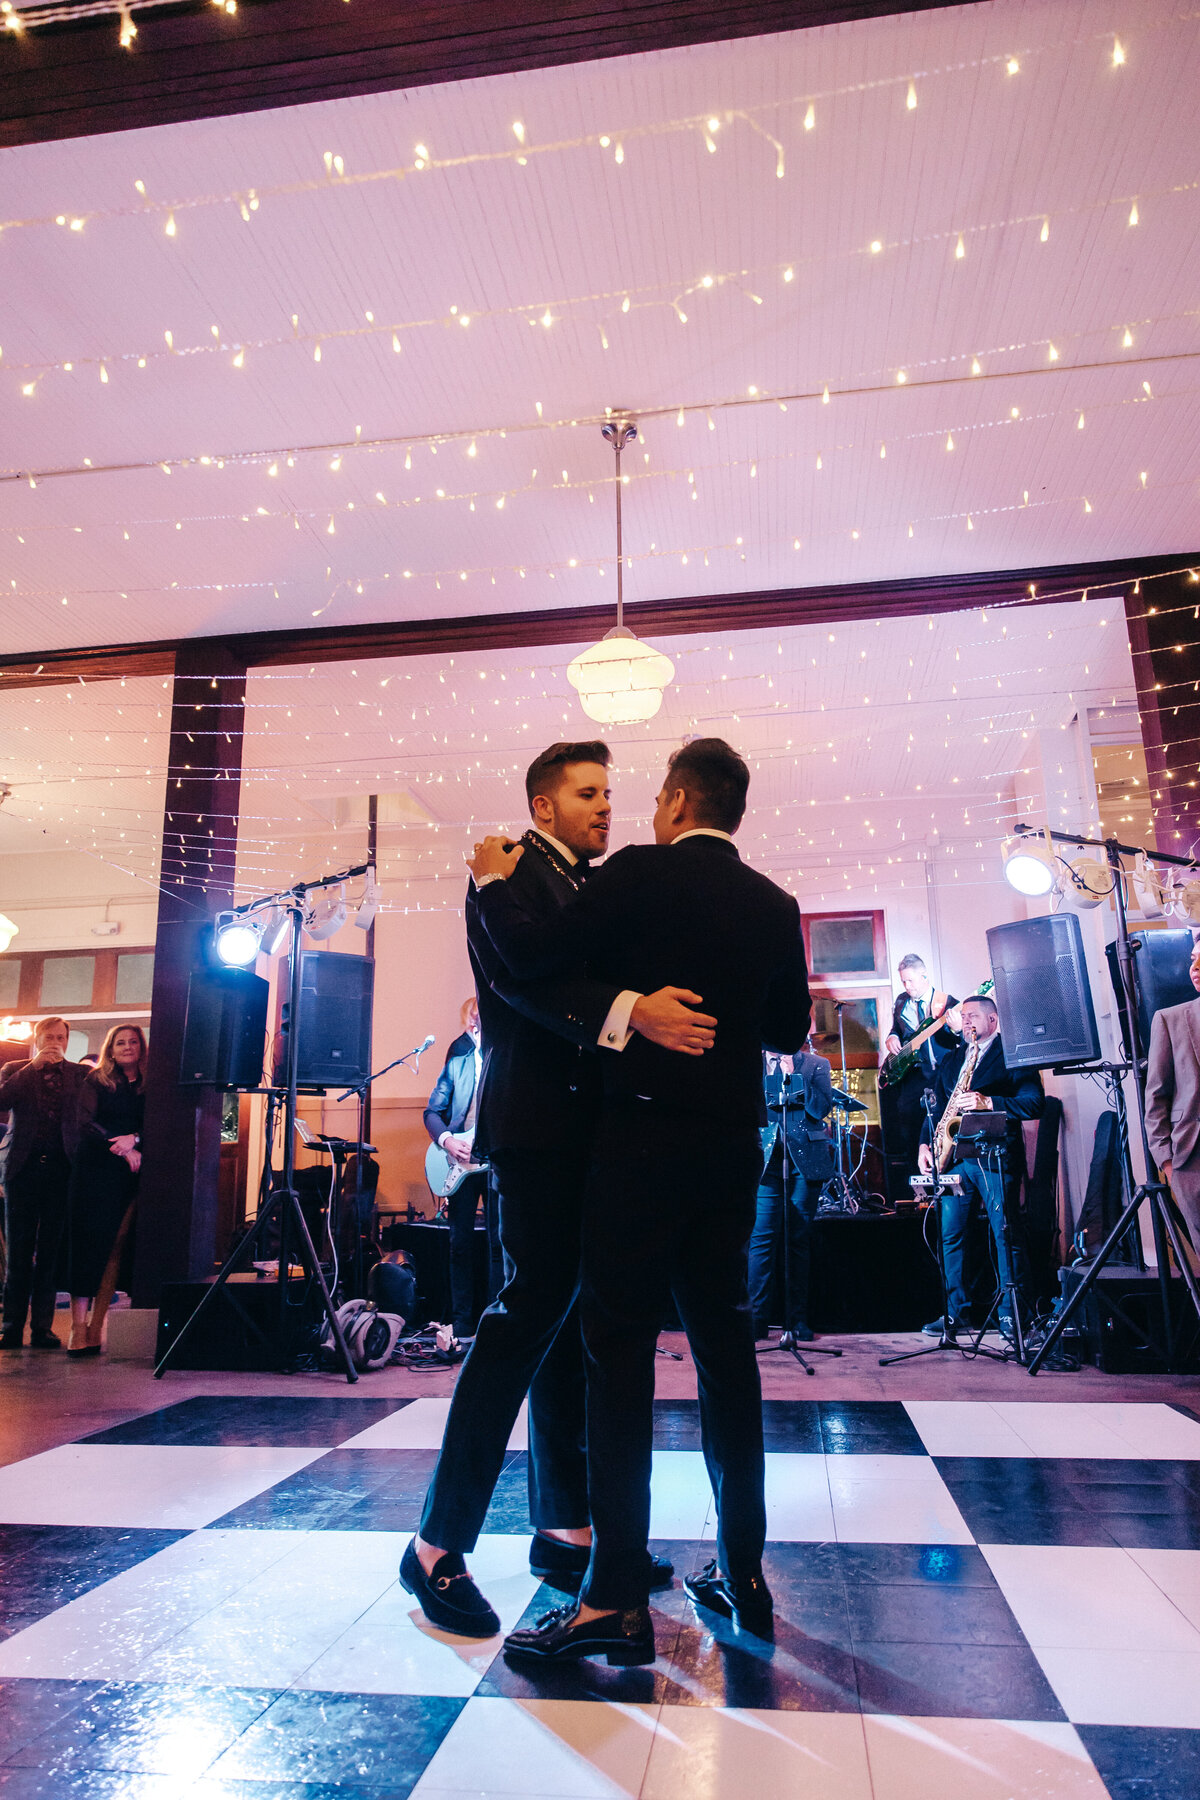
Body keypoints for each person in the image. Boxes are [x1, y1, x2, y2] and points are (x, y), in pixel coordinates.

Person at [471, 737, 810, 1666]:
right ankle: (742, 1573)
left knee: (616, 1351)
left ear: (673, 800)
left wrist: (496, 881)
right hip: (733, 1149)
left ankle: (613, 1596)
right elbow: (789, 1027)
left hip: (640, 1146)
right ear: (734, 813)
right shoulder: (775, 904)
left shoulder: (635, 875)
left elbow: (535, 956)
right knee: (724, 1350)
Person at [401, 742, 711, 1639]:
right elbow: (523, 983)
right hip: (535, 1130)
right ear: (544, 806)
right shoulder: (504, 871)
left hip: (586, 1135)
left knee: (574, 1324)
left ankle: (563, 1528)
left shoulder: (580, 882)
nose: (606, 806)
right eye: (588, 793)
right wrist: (630, 1013)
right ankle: (433, 1547)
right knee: (525, 1313)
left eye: (611, 792)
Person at [918, 992, 1044, 1340]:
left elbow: (1035, 1102)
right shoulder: (952, 1058)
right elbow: (935, 1106)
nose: (966, 1021)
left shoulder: (1014, 1055)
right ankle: (955, 1314)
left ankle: (1013, 1318)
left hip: (994, 1158)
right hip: (955, 1158)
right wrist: (925, 1144)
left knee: (1005, 1234)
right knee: (950, 1236)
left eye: (973, 1015)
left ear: (993, 1020)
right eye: (964, 1016)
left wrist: (989, 1101)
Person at [0, 1017, 87, 1350]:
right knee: (19, 1251)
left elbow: (85, 1119)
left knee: (50, 1252)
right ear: (37, 1040)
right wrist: (32, 1068)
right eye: (48, 1037)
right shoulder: (15, 1069)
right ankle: (11, 1327)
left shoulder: (80, 1074)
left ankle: (42, 1329)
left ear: (67, 1041)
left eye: (60, 1037)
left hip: (61, 1168)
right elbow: (2, 1102)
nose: (55, 1042)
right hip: (21, 1167)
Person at [65, 1024, 146, 1357]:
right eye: (120, 1042)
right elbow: (84, 1123)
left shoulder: (149, 1086)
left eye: (133, 1042)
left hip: (129, 1175)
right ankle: (77, 1327)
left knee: (116, 1248)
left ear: (142, 1047)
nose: (126, 1047)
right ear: (110, 1049)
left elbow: (155, 1124)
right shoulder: (95, 1081)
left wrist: (136, 1140)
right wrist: (122, 1147)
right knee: (86, 1246)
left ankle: (98, 1327)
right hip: (95, 1170)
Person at [748, 1042, 834, 1342]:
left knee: (797, 1238)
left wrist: (793, 1075)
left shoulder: (816, 1063)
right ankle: (756, 1318)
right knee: (762, 1238)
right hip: (764, 1157)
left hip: (806, 1158)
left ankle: (796, 1320)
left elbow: (821, 1109)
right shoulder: (749, 1060)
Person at [423, 996, 498, 1339]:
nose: (474, 1023)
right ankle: (463, 1325)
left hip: (497, 1160)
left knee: (502, 1242)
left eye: (480, 1017)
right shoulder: (459, 1056)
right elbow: (432, 1112)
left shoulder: (505, 1056)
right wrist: (448, 1142)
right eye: (472, 1017)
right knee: (460, 1244)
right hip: (461, 1162)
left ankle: (500, 1322)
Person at [879, 954, 961, 1204]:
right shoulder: (901, 1001)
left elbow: (963, 1039)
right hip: (912, 1080)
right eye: (903, 982)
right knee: (911, 1134)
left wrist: (957, 1029)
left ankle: (948, 1194)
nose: (907, 987)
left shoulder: (947, 1002)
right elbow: (897, 1029)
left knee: (944, 1132)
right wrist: (892, 1037)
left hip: (940, 1078)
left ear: (924, 976)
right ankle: (918, 1196)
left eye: (911, 981)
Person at [1145, 938, 1200, 1252]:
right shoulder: (1170, 1020)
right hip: (1191, 1157)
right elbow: (1155, 1096)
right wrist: (1166, 1159)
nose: (1195, 968)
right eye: (1193, 959)